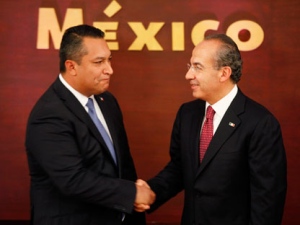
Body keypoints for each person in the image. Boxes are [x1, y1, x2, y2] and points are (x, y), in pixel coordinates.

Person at [137, 33, 287, 225]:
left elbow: (267, 202)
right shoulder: (187, 113)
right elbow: (179, 169)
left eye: (197, 67)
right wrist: (150, 192)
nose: (188, 75)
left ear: (224, 73)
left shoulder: (260, 123)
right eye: (189, 66)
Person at [25, 24, 155, 225]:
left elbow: (122, 166)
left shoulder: (107, 101)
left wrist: (134, 205)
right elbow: (73, 180)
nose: (109, 70)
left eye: (109, 60)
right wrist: (132, 194)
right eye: (99, 62)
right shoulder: (49, 114)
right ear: (72, 67)